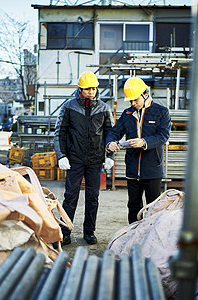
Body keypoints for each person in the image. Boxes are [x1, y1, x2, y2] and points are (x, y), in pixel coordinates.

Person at [54, 71, 115, 245]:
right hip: (74, 160)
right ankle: (65, 232)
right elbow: (60, 132)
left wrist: (110, 155)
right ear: (80, 88)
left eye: (94, 88)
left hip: (95, 160)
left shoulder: (104, 108)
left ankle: (89, 231)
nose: (91, 91)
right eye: (88, 88)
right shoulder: (69, 107)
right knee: (70, 196)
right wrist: (61, 156)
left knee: (93, 197)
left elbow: (110, 133)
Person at [106, 77, 171, 224]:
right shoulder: (127, 114)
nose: (133, 103)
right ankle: (132, 234)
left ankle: (151, 236)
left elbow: (163, 136)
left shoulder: (161, 112)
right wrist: (110, 143)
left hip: (153, 169)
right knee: (133, 206)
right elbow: (114, 132)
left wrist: (144, 142)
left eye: (135, 100)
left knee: (153, 207)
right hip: (133, 169)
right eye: (130, 101)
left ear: (145, 94)